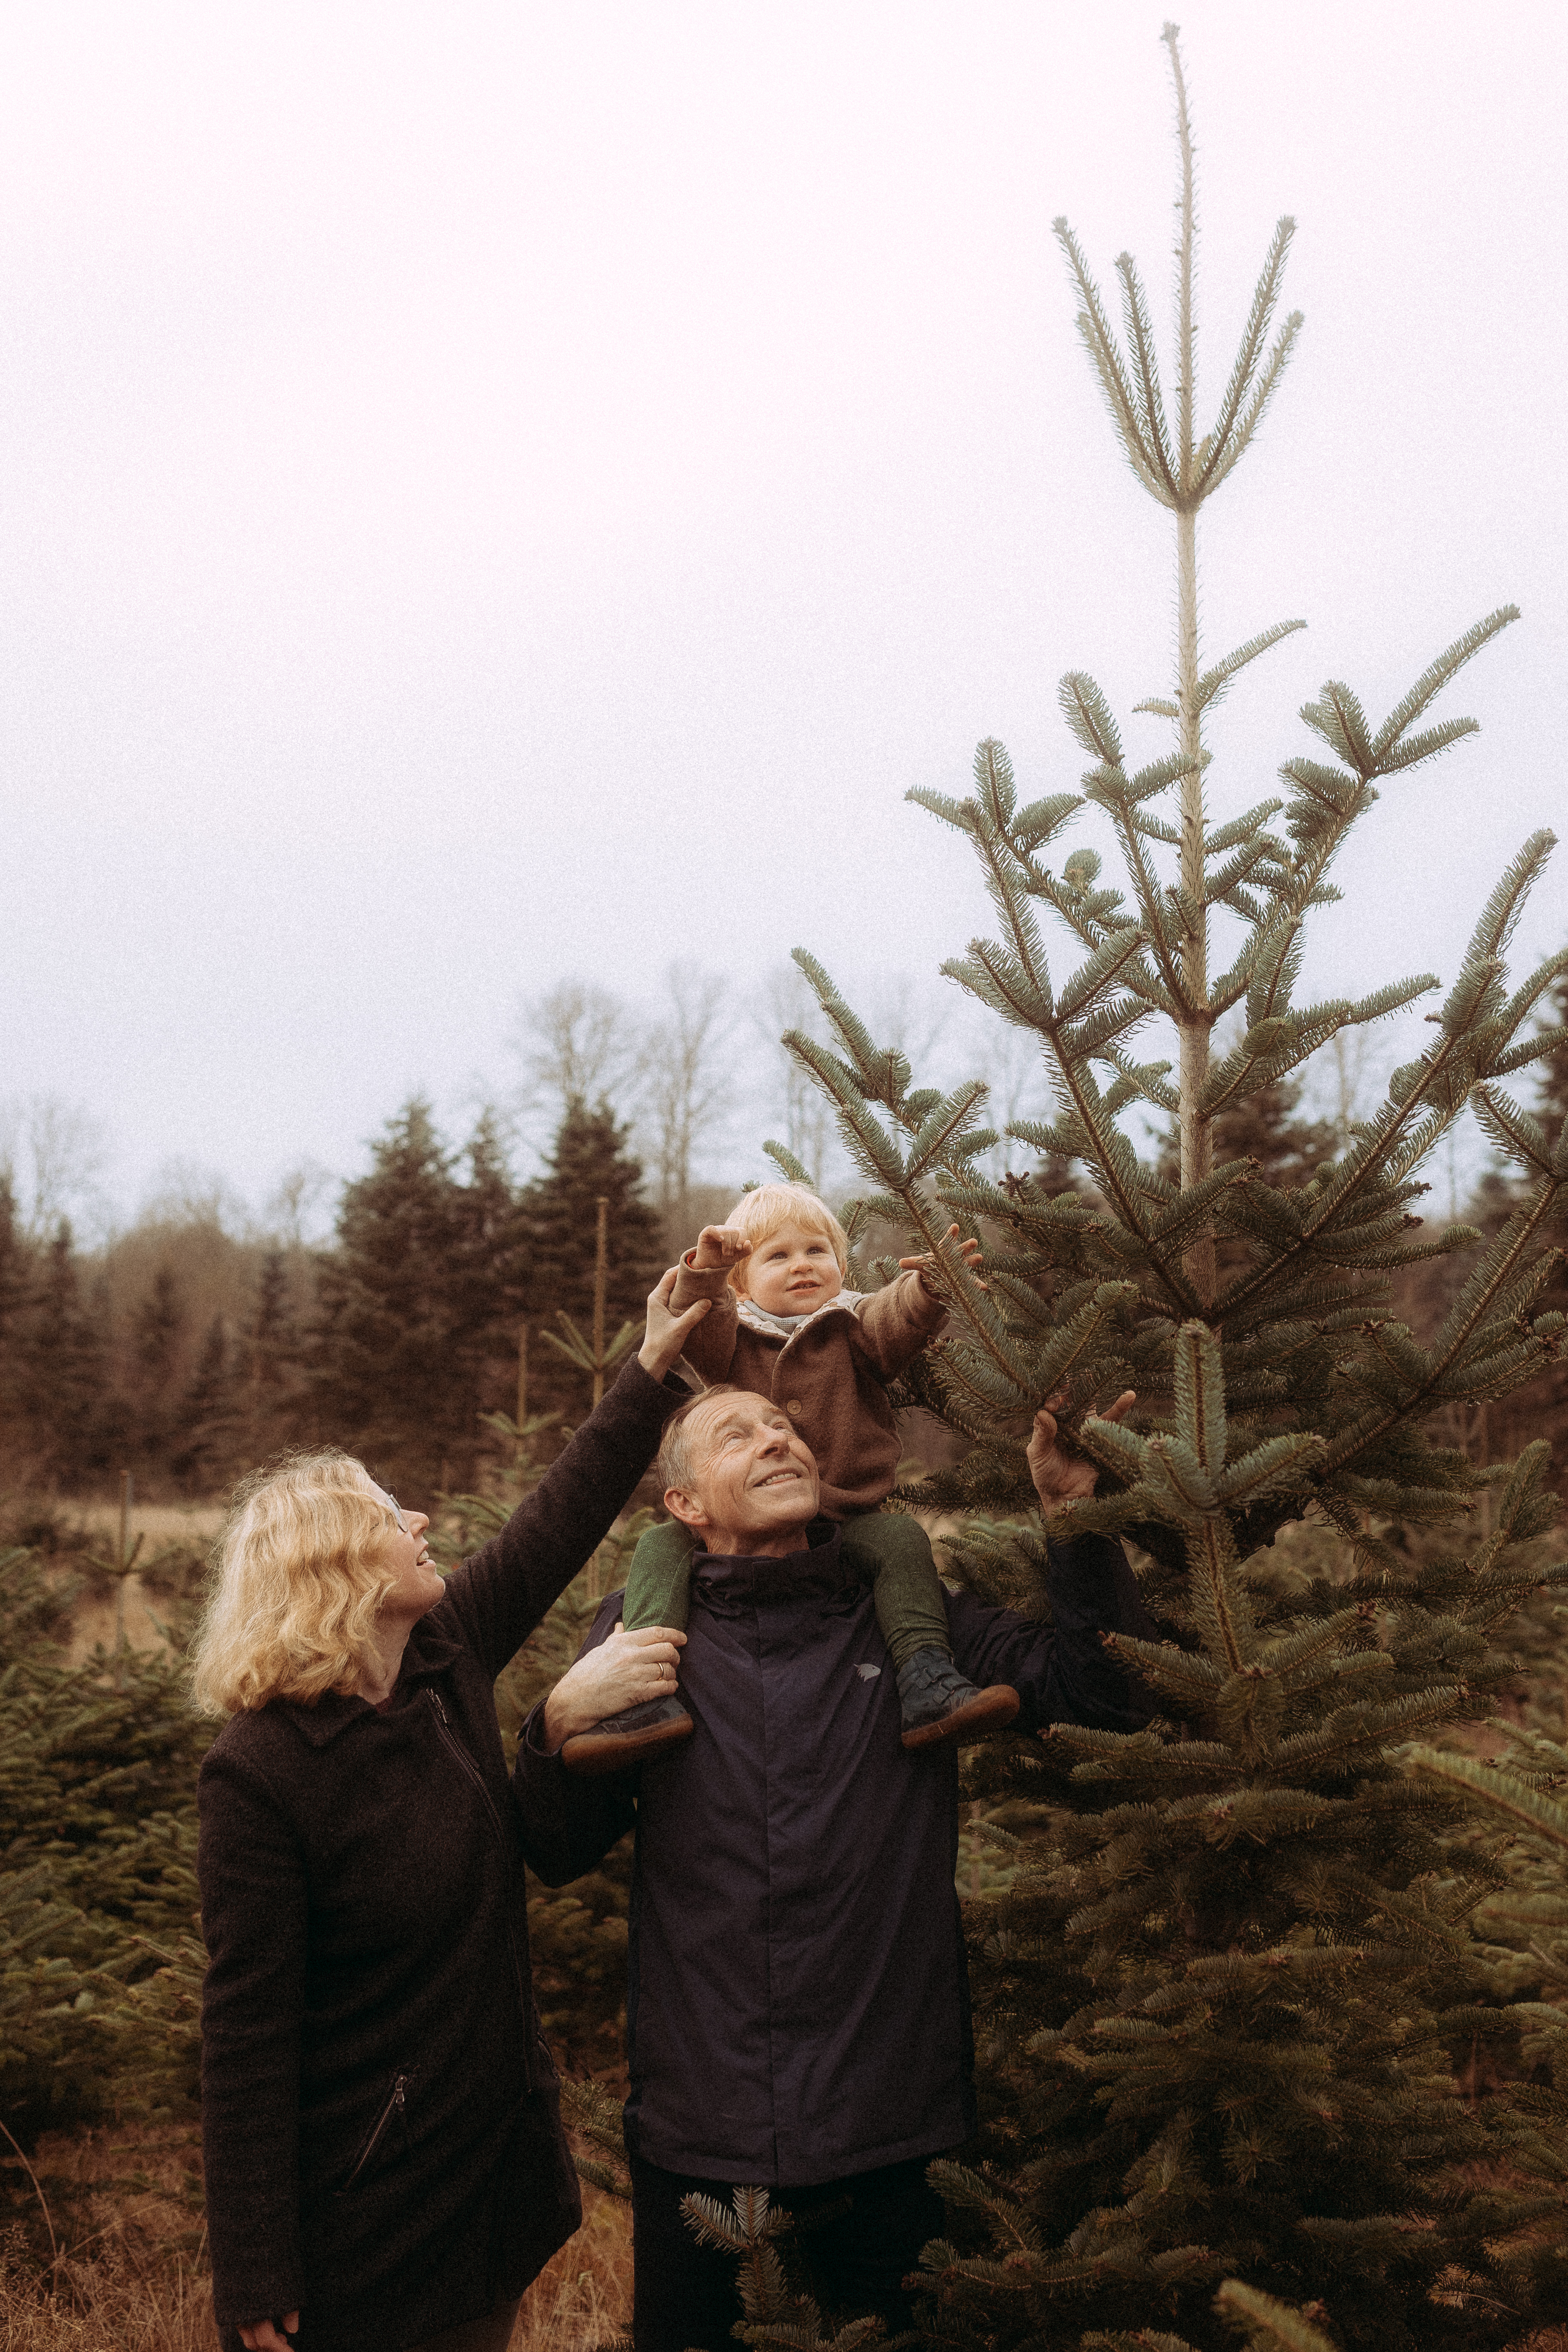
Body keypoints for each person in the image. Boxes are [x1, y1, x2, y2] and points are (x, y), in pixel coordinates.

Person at [513, 1379, 1148, 2352]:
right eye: (738, 1435)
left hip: (893, 2124)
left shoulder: (909, 1625)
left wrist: (1076, 1516)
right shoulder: (640, 1640)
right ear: (683, 1506)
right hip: (702, 2128)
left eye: (785, 1429)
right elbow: (557, 1849)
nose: (778, 1442)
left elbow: (1105, 1695)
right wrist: (556, 1724)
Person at [193, 1270, 708, 2352]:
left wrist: (652, 1368)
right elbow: (247, 2032)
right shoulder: (262, 1770)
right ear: (333, 1568)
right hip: (369, 2213)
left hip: (489, 2184)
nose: (420, 1518)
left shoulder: (441, 1659)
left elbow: (554, 1521)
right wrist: (253, 2264)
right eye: (390, 1515)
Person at [561, 1182, 1018, 1770]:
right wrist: (707, 1269)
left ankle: (927, 1675)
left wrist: (930, 1287)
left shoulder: (852, 1325)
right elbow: (696, 1316)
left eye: (816, 1251)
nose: (802, 1265)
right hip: (741, 1514)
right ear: (743, 1283)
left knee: (901, 1540)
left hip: (848, 1515)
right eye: (777, 1256)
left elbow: (895, 1315)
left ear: (841, 1266)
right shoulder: (731, 1338)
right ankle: (647, 1696)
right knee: (660, 1544)